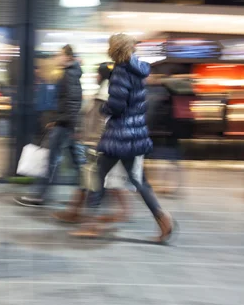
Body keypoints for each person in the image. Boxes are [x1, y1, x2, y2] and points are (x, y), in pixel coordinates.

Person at [73, 34, 175, 242]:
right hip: (136, 134)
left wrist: (104, 107)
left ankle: (90, 225)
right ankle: (163, 219)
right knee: (139, 181)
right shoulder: (138, 70)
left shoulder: (120, 71)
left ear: (115, 49)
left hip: (119, 135)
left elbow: (117, 105)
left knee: (98, 175)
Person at [52, 62, 130, 224]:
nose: (95, 76)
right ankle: (77, 212)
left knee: (94, 181)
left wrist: (97, 141)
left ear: (102, 75)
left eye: (97, 73)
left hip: (101, 145)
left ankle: (85, 218)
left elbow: (103, 122)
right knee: (97, 181)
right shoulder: (105, 92)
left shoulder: (105, 94)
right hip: (100, 144)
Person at [15, 45, 83, 207]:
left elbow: (72, 102)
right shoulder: (69, 73)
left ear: (68, 57)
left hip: (65, 124)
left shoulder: (70, 75)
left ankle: (39, 195)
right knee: (76, 161)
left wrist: (66, 123)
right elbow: (67, 102)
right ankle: (94, 190)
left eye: (59, 55)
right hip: (65, 122)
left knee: (51, 160)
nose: (57, 58)